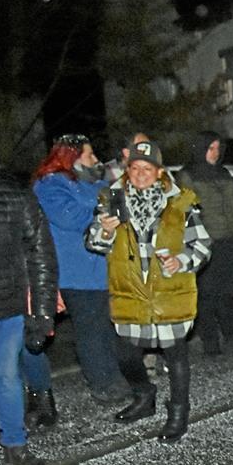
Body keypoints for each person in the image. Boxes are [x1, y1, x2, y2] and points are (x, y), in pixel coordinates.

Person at [86, 141, 212, 443]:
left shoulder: (181, 202)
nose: (140, 174)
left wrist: (180, 260)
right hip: (129, 290)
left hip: (170, 290)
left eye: (147, 169)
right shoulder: (110, 200)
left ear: (159, 172)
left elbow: (203, 245)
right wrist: (105, 231)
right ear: (127, 171)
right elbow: (93, 244)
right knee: (126, 354)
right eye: (135, 168)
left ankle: (179, 411)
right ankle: (144, 395)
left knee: (175, 354)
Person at [32, 134, 132, 405]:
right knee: (90, 330)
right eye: (90, 155)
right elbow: (70, 217)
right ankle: (103, 383)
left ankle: (114, 378)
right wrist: (104, 212)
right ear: (72, 158)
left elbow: (120, 210)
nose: (96, 160)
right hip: (75, 272)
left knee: (105, 328)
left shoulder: (95, 184)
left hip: (102, 269)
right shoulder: (50, 185)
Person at [0, 133, 57, 465]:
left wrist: (42, 312)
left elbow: (40, 251)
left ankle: (15, 446)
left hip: (8, 307)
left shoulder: (12, 192)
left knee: (7, 376)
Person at [176, 131, 233, 355]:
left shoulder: (223, 173)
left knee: (226, 291)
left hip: (227, 240)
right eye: (211, 148)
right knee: (206, 294)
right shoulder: (187, 175)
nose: (215, 153)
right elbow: (183, 212)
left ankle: (231, 333)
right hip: (205, 243)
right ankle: (210, 340)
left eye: (218, 148)